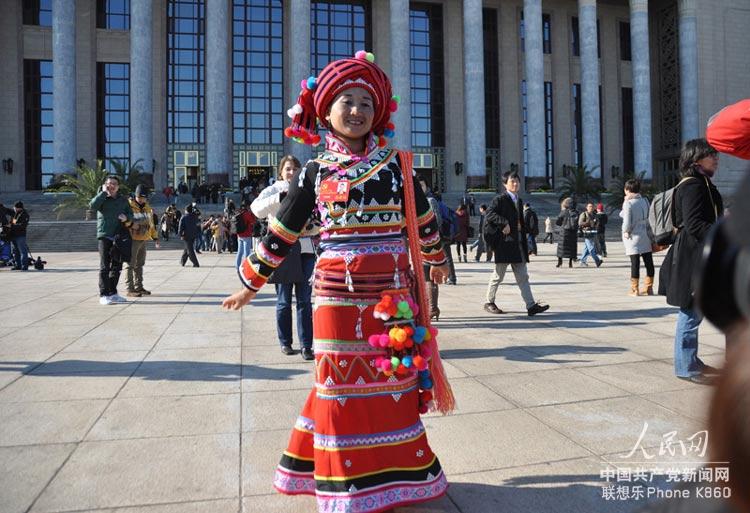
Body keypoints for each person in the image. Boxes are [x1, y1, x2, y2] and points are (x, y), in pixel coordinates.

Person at [222, 51, 453, 512]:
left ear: (379, 113)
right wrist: (252, 281)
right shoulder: (314, 170)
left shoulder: (398, 165)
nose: (356, 110)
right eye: (346, 100)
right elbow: (284, 229)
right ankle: (342, 486)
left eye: (366, 102)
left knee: (393, 382)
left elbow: (423, 218)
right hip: (334, 297)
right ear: (325, 112)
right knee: (337, 386)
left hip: (391, 295)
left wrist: (436, 260)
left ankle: (400, 478)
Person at [661, 138, 723, 385]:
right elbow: (695, 224)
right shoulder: (693, 186)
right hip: (692, 257)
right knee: (690, 310)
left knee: (696, 310)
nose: (716, 160)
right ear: (696, 161)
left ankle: (691, 360)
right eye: (712, 156)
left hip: (700, 254)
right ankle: (685, 366)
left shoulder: (703, 184)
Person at [251, 155, 318, 360]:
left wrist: (312, 228)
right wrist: (280, 198)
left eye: (295, 168)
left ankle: (307, 345)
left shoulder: (307, 188)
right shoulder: (273, 189)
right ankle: (285, 342)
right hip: (282, 251)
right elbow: (256, 210)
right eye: (288, 168)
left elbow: (321, 217)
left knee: (305, 301)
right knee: (283, 301)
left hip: (305, 250)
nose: (291, 172)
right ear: (281, 171)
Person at [483, 171, 549, 316]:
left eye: (517, 181)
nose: (515, 183)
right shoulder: (500, 199)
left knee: (523, 277)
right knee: (498, 276)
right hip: (505, 244)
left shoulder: (518, 200)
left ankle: (531, 306)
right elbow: (490, 214)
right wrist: (504, 223)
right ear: (505, 184)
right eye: (512, 181)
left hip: (518, 244)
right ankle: (489, 302)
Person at [89, 175, 133, 305]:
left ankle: (113, 293)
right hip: (105, 236)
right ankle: (103, 294)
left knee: (117, 266)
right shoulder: (102, 198)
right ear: (105, 185)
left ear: (118, 187)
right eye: (109, 183)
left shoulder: (122, 200)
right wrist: (103, 193)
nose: (111, 186)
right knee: (104, 266)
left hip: (119, 236)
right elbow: (92, 206)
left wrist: (126, 218)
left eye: (114, 184)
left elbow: (130, 214)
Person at [620, 179, 654, 296]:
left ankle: (635, 289)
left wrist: (625, 231)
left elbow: (626, 220)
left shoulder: (628, 203)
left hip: (633, 236)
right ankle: (649, 288)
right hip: (645, 233)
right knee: (648, 261)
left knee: (635, 263)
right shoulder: (645, 201)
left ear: (628, 190)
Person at [125, 185, 160, 297]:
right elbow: (124, 220)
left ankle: (139, 287)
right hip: (132, 239)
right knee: (130, 264)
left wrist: (155, 237)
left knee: (140, 264)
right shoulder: (128, 206)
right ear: (135, 196)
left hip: (143, 238)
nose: (141, 199)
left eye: (143, 197)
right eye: (139, 197)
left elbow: (151, 224)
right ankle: (130, 289)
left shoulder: (148, 208)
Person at [578, 203, 602, 267]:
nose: (591, 207)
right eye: (589, 206)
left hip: (593, 233)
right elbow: (580, 223)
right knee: (591, 248)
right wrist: (589, 222)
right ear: (587, 207)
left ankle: (582, 261)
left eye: (592, 206)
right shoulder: (584, 214)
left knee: (587, 248)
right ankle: (597, 260)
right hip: (587, 233)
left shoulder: (595, 215)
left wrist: (596, 224)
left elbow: (597, 223)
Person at [555, 197, 578, 268]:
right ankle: (570, 263)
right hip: (573, 232)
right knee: (572, 247)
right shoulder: (576, 212)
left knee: (561, 248)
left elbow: (558, 222)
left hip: (564, 232)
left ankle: (560, 262)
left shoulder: (564, 212)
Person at [234, 200, 256, 269]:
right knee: (247, 253)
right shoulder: (247, 214)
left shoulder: (239, 213)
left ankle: (237, 266)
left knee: (239, 252)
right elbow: (253, 221)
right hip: (246, 235)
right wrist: (252, 213)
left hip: (239, 235)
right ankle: (246, 267)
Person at [9, 201, 30, 271]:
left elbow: (22, 226)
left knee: (22, 251)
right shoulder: (15, 214)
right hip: (13, 235)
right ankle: (18, 265)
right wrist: (10, 225)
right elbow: (13, 223)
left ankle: (24, 266)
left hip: (20, 235)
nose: (14, 208)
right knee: (15, 251)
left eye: (15, 207)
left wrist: (12, 226)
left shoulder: (25, 214)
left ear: (18, 208)